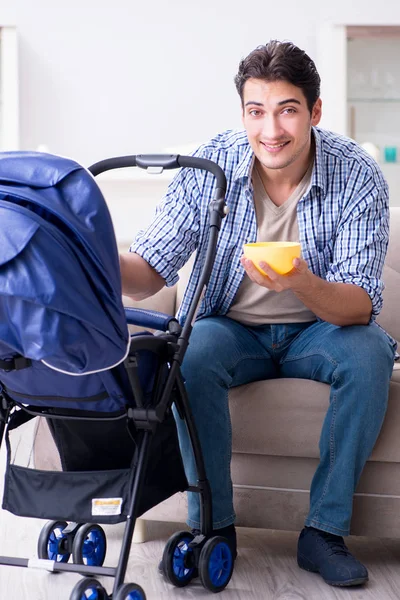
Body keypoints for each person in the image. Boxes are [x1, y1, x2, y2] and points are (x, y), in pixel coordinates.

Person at [119, 40, 397, 587]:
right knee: (190, 351)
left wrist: (299, 281)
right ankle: (213, 528)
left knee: (369, 353)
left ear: (314, 112)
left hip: (320, 332)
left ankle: (322, 532)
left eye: (287, 110)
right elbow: (151, 268)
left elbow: (361, 303)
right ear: (243, 112)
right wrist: (94, 251)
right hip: (232, 326)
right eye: (256, 111)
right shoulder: (212, 163)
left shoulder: (357, 175)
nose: (271, 130)